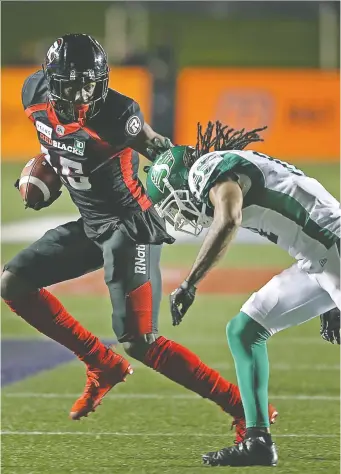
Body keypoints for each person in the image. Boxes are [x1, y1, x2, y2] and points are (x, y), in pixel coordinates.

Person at [0, 34, 277, 441]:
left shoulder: (118, 113)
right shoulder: (32, 94)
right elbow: (59, 143)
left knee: (140, 342)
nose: (84, 93)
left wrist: (206, 173)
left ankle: (244, 409)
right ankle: (101, 363)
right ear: (51, 81)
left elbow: (160, 149)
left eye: (91, 83)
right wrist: (47, 169)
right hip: (91, 223)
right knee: (12, 282)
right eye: (74, 84)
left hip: (130, 226)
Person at [145, 121, 340, 466]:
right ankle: (257, 441)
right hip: (321, 256)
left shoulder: (204, 170)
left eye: (173, 204)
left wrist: (190, 282)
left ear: (181, 183)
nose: (179, 213)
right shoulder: (224, 163)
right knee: (245, 330)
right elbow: (303, 202)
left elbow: (229, 218)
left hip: (332, 247)